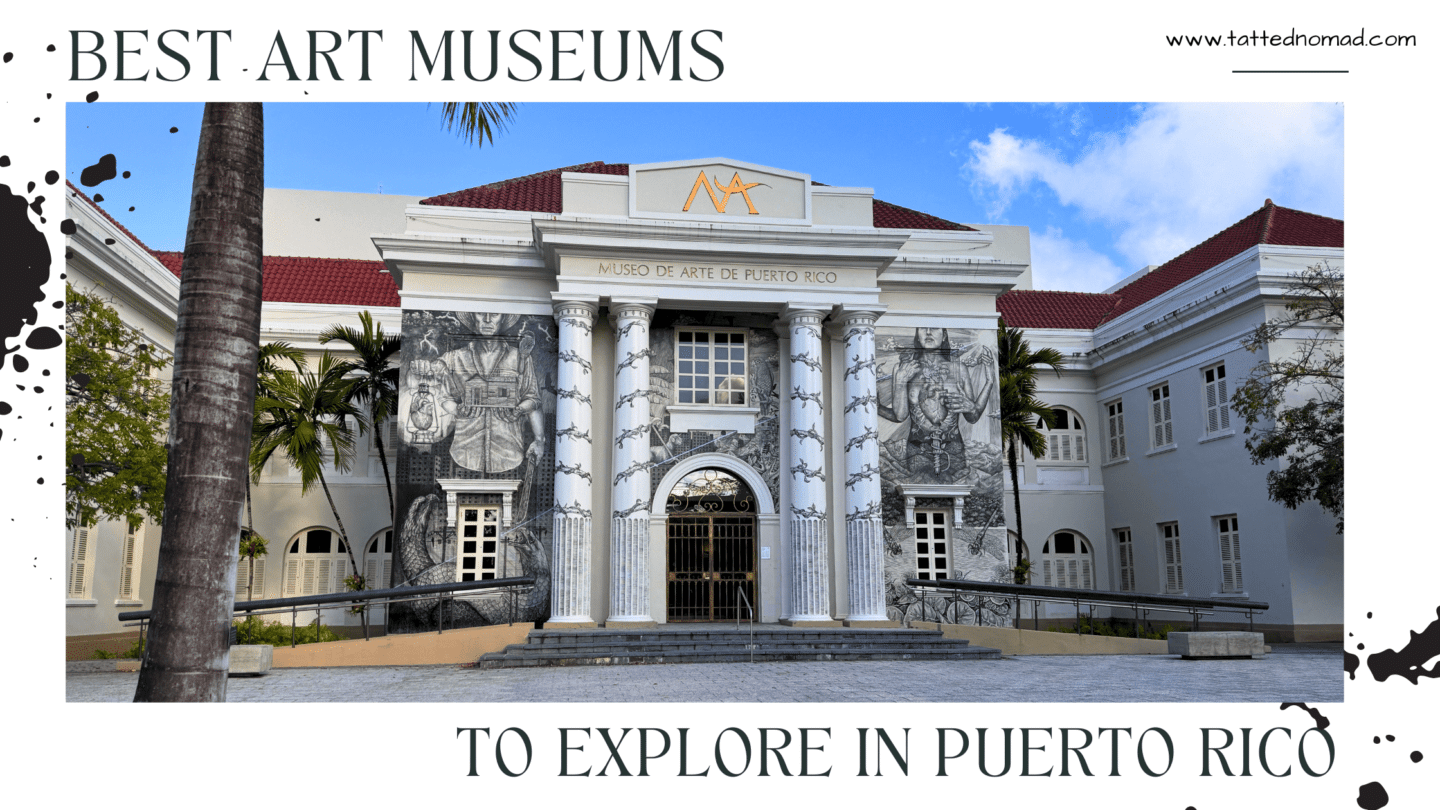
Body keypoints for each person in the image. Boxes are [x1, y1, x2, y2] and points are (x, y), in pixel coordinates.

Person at [404, 312, 543, 475]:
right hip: (464, 455)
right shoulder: (454, 358)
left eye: (495, 314)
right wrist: (420, 369)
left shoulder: (520, 357)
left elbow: (533, 398)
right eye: (481, 314)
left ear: (503, 319)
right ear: (472, 318)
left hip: (510, 456)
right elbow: (428, 385)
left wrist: (539, 438)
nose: (488, 319)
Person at [879, 327, 994, 478]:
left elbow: (972, 417)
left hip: (953, 449)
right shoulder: (903, 369)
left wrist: (989, 382)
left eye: (933, 328)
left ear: (944, 335)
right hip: (917, 451)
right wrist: (900, 381)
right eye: (923, 329)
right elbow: (900, 415)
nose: (928, 332)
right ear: (917, 335)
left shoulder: (959, 369)